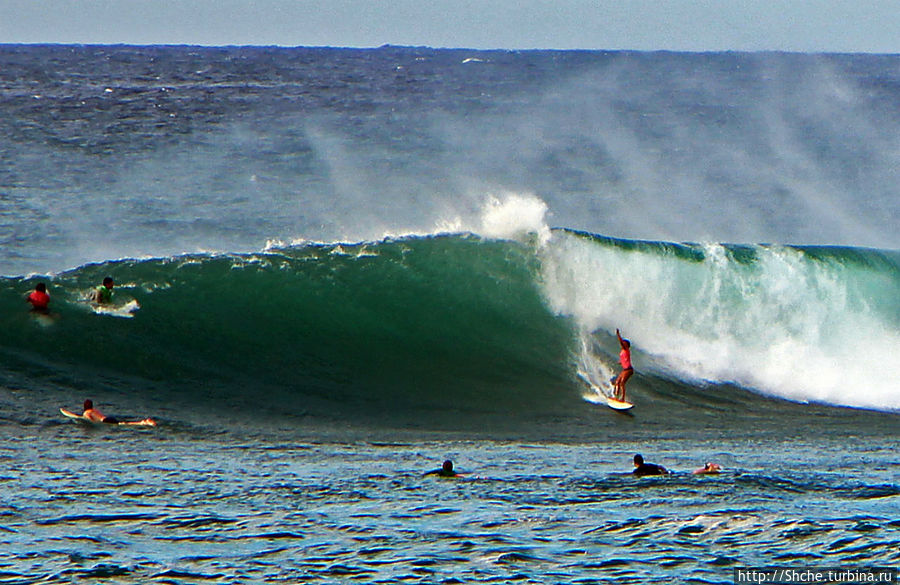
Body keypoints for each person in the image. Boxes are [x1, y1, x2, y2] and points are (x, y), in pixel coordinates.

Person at [81, 399, 156, 426]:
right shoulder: (95, 410)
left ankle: (142, 423)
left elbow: (90, 420)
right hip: (108, 418)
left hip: (106, 421)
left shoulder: (86, 413)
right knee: (122, 423)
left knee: (123, 424)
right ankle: (142, 422)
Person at [613, 328, 633, 401]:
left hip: (628, 370)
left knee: (622, 383)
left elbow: (621, 342)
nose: (623, 344)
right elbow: (624, 358)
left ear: (627, 345)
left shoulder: (626, 349)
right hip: (625, 370)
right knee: (617, 382)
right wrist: (621, 362)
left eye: (624, 343)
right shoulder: (623, 351)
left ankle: (622, 398)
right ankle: (616, 397)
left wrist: (618, 335)